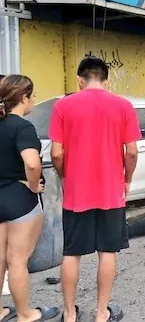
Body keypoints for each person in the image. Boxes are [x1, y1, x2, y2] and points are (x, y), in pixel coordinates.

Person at [50, 57, 139, 322]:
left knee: (72, 253)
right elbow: (132, 151)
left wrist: (66, 176)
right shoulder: (123, 106)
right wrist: (126, 179)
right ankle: (101, 313)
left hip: (77, 193)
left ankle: (69, 314)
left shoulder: (63, 105)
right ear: (106, 79)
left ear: (79, 79)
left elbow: (56, 153)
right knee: (108, 251)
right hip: (111, 191)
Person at [0, 75, 59, 321]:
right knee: (17, 260)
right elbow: (33, 164)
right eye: (32, 95)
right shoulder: (22, 126)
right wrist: (34, 186)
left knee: (1, 259)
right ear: (24, 97)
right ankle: (25, 314)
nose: (33, 100)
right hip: (19, 202)